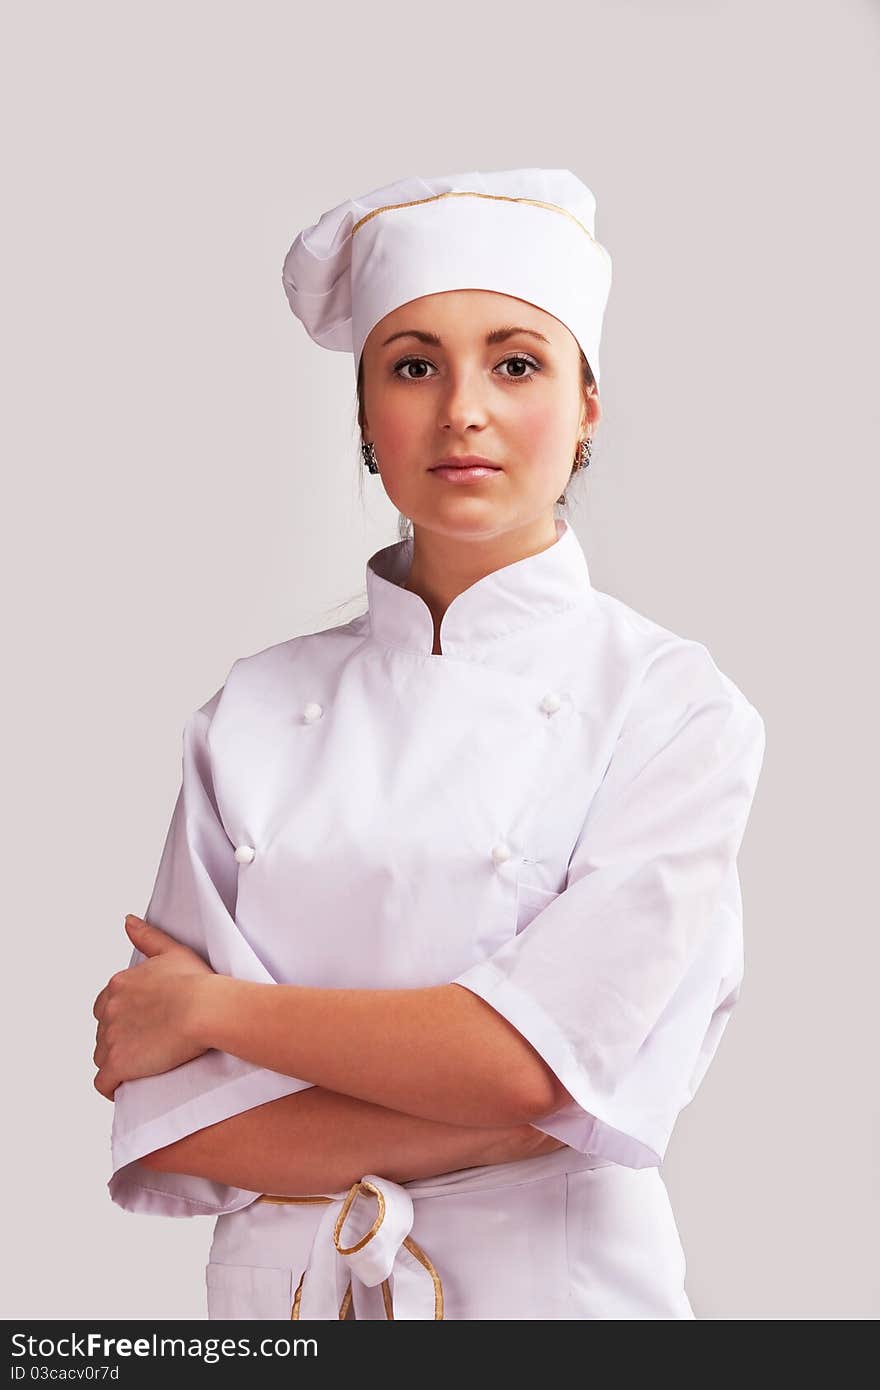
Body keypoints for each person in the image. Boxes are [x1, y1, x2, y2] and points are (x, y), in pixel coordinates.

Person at [92, 168, 766, 1320]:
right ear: (363, 415)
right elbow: (173, 1124)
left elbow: (520, 1066)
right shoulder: (251, 711)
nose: (463, 408)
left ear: (587, 405)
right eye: (413, 365)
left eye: (516, 363)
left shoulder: (672, 707)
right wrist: (511, 1106)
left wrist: (211, 1011)